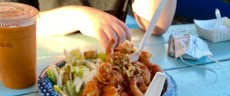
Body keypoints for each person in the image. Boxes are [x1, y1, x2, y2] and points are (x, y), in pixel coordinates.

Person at [10, 0, 176, 48]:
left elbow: (156, 24)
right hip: (37, 64)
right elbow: (9, 21)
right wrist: (78, 16)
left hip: (110, 59)